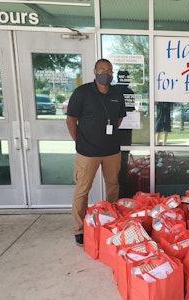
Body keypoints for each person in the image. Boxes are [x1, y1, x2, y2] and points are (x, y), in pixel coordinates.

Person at [66, 58, 126, 246]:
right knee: (82, 190)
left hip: (111, 151)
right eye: (102, 70)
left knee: (113, 186)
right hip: (87, 152)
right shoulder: (82, 92)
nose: (105, 74)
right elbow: (71, 120)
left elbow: (118, 119)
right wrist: (81, 141)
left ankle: (112, 221)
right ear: (94, 71)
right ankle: (79, 229)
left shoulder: (117, 94)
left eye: (109, 71)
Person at [115, 70, 135, 198]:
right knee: (122, 161)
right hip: (123, 131)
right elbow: (131, 109)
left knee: (116, 162)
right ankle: (121, 190)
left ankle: (119, 192)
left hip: (118, 130)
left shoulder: (112, 90)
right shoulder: (129, 92)